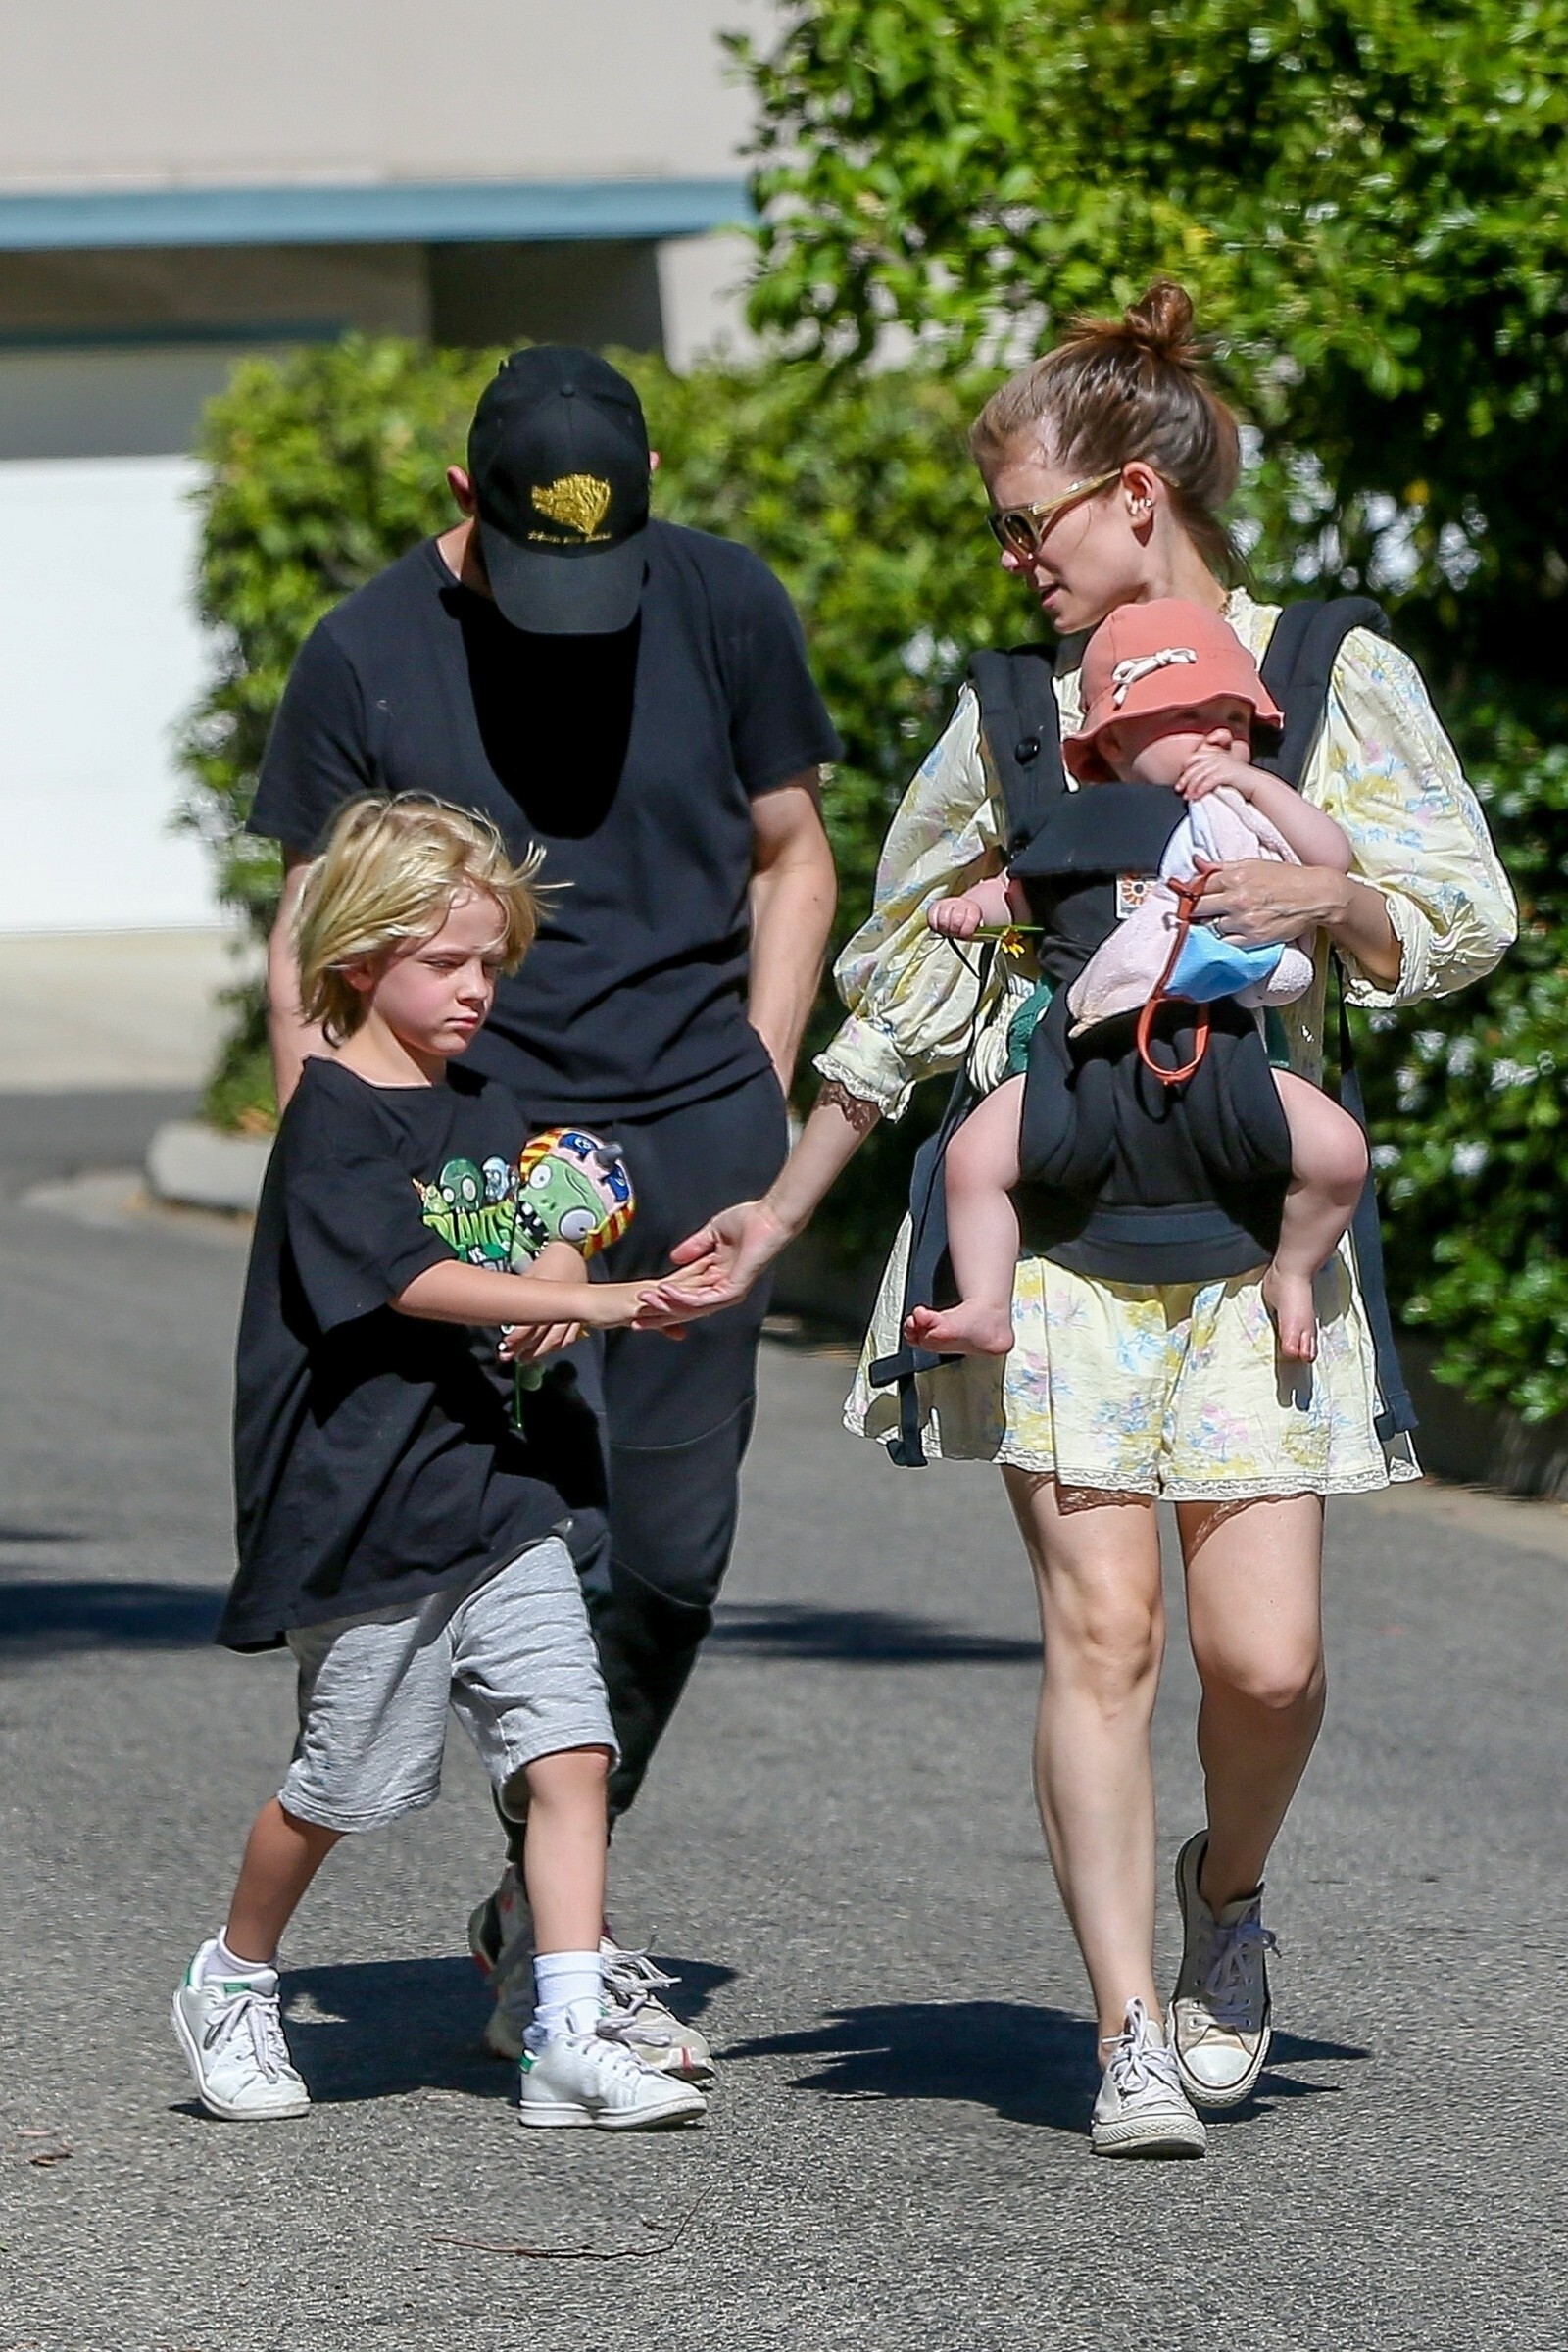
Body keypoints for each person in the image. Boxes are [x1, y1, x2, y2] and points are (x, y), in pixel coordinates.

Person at [657, 282, 1515, 2157]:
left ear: (1137, 494)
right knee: (1102, 1632)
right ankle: (1125, 2027)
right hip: (1055, 1227)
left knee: (1267, 1664)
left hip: (1255, 1225)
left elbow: (1463, 912)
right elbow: (906, 979)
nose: (1013, 560)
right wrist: (786, 1201)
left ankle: (1227, 1896)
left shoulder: (1328, 672)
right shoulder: (1014, 717)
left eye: (1025, 522)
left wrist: (1329, 905)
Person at [248, 346, 841, 2069]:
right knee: (532, 1539)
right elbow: (310, 936)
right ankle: (565, 1947)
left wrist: (759, 1079)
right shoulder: (367, 649)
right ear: (465, 503)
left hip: (694, 1128)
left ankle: (532, 1911)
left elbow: (792, 852)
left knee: (671, 1556)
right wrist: (335, 1168)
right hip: (473, 1156)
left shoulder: (726, 605)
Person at [172, 796, 708, 2132]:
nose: (478, 988)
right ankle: (233, 1978)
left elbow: (556, 1194)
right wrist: (600, 1302)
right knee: (340, 1788)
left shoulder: (486, 1102)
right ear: (361, 961)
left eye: (491, 962)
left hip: (498, 1497)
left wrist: (562, 1260)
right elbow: (410, 1278)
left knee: (571, 1754)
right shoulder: (333, 1121)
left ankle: (566, 2034)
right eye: (447, 963)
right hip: (367, 1516)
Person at [917, 597, 1369, 1363]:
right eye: (1192, 715)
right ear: (1116, 737)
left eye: (1237, 718)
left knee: (1341, 1154)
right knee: (970, 1159)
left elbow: (1331, 859)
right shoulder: (1075, 822)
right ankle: (987, 1303)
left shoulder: (1243, 821)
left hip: (1219, 1048)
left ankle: (1292, 1271)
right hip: (1080, 1058)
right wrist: (972, 908)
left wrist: (1255, 786)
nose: (1222, 733)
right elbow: (1021, 895)